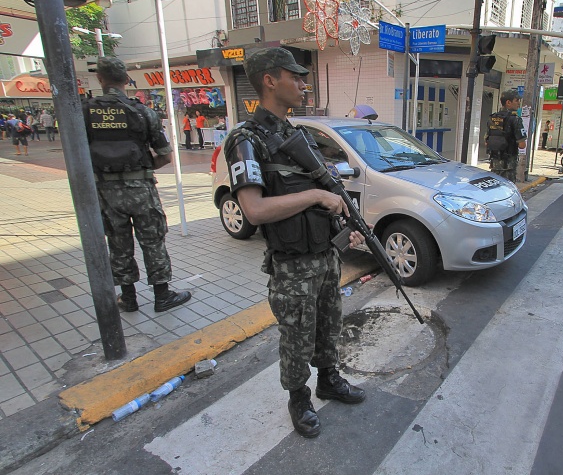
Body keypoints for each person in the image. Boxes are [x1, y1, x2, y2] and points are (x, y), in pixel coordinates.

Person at [223, 47, 366, 439]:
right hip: (292, 266)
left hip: (325, 256)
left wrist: (341, 221)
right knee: (297, 336)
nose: (303, 84)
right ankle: (299, 398)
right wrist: (316, 198)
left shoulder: (297, 134)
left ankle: (329, 380)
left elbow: (325, 191)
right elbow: (253, 210)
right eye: (295, 76)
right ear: (270, 80)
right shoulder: (246, 139)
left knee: (328, 327)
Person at [83, 57, 191, 314]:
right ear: (126, 79)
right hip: (141, 189)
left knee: (118, 243)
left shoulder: (85, 112)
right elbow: (165, 155)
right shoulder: (143, 113)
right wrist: (140, 169)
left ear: (100, 79)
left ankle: (128, 297)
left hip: (105, 192)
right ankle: (162, 296)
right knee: (153, 241)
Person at [484, 89, 527, 182]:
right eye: (516, 100)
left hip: (495, 163)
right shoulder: (515, 120)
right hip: (509, 164)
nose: (519, 103)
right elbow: (522, 145)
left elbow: (486, 142)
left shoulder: (492, 118)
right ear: (508, 102)